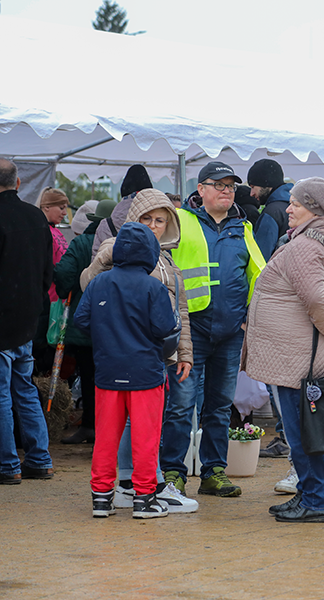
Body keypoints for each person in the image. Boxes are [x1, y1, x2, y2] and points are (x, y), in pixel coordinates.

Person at [242, 177, 324, 523]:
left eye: (295, 203)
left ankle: (313, 501)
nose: (289, 209)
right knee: (307, 430)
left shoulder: (303, 247)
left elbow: (315, 297)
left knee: (300, 433)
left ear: (312, 208)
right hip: (305, 354)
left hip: (297, 358)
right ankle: (307, 495)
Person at [81, 189, 197, 513]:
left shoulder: (170, 262)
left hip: (150, 359)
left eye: (161, 220)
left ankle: (128, 489)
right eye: (147, 218)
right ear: (134, 219)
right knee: (139, 429)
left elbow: (181, 310)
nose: (154, 225)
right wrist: (104, 260)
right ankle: (136, 488)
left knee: (147, 426)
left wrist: (184, 352)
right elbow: (87, 284)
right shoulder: (112, 248)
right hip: (138, 360)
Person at [159, 161, 266, 499]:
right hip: (190, 331)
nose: (225, 190)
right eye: (218, 185)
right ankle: (174, 473)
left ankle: (214, 471)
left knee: (220, 406)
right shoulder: (181, 222)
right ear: (200, 189)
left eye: (231, 186)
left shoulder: (242, 227)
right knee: (181, 404)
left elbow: (258, 276)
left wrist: (253, 317)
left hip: (230, 332)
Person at [0, 159, 55, 485]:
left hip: (3, 321)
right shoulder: (36, 216)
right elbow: (47, 272)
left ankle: (8, 465)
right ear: (18, 183)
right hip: (27, 319)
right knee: (25, 390)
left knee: (4, 395)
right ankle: (39, 459)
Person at [55, 199, 116, 445]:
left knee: (89, 377)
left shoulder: (81, 243)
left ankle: (90, 425)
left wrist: (68, 290)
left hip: (84, 322)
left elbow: (62, 273)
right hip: (114, 325)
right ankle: (107, 430)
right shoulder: (124, 244)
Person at [92, 164, 154, 257]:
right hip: (148, 271)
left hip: (112, 270)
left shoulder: (106, 224)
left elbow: (96, 260)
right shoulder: (157, 222)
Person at [247, 158, 292, 260]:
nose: (251, 193)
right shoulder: (297, 206)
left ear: (266, 184)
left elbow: (261, 256)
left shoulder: (271, 212)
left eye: (253, 187)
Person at [38, 187, 70, 303]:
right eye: (61, 208)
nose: (64, 213)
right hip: (47, 298)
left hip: (58, 297)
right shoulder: (41, 231)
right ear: (47, 206)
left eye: (65, 208)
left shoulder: (56, 230)